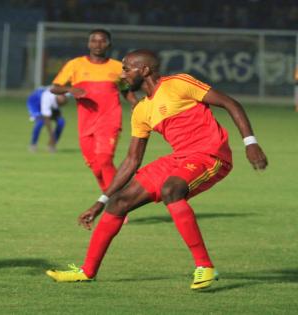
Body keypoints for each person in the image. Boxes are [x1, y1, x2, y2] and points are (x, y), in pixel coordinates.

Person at [46, 50, 268, 290]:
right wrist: (100, 201)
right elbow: (132, 160)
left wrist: (250, 143)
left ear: (145, 70)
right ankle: (87, 271)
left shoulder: (179, 83)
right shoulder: (141, 110)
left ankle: (205, 266)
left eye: (127, 68)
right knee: (119, 202)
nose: (122, 74)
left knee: (171, 189)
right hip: (179, 157)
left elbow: (230, 103)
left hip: (210, 154)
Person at [51, 29, 137, 193]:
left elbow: (126, 90)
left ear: (109, 44)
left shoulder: (118, 67)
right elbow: (55, 88)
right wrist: (71, 89)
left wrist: (136, 104)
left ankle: (117, 203)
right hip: (86, 122)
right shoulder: (75, 65)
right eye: (94, 40)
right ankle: (110, 198)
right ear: (88, 43)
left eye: (102, 41)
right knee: (96, 167)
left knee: (105, 159)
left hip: (110, 119)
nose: (98, 44)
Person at [27, 87, 67, 152]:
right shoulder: (47, 98)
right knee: (40, 122)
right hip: (36, 102)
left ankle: (51, 145)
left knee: (61, 122)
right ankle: (33, 144)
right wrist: (52, 136)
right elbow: (47, 120)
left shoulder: (63, 94)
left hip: (51, 104)